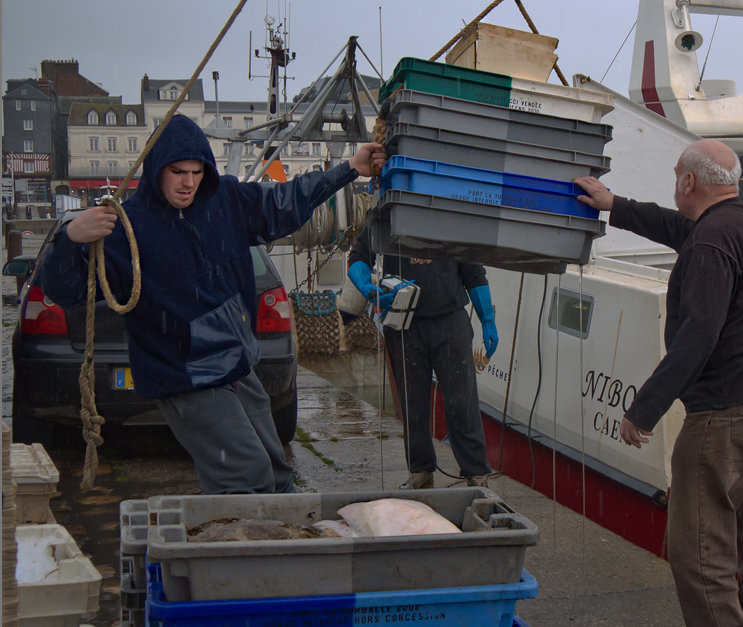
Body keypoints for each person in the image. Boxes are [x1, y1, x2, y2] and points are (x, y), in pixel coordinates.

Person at [37, 114, 386, 494]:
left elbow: (288, 200)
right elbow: (65, 291)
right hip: (185, 375)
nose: (188, 182)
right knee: (245, 476)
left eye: (196, 171)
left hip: (236, 364)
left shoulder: (228, 201)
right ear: (157, 169)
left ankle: (286, 543)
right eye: (177, 172)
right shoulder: (126, 229)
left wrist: (350, 169)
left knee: (275, 471)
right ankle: (243, 547)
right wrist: (71, 239)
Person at [573, 138, 743, 627]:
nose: (675, 181)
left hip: (727, 406)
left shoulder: (711, 243)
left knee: (698, 531)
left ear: (691, 183)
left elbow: (698, 336)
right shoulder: (742, 226)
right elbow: (681, 231)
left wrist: (644, 409)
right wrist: (614, 204)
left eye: (677, 173)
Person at [347, 220, 497, 490]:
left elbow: (473, 272)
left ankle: (476, 471)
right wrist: (365, 287)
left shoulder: (450, 214)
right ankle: (421, 470)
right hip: (404, 324)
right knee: (412, 404)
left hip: (450, 321)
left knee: (462, 402)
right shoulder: (386, 213)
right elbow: (359, 256)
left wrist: (487, 319)